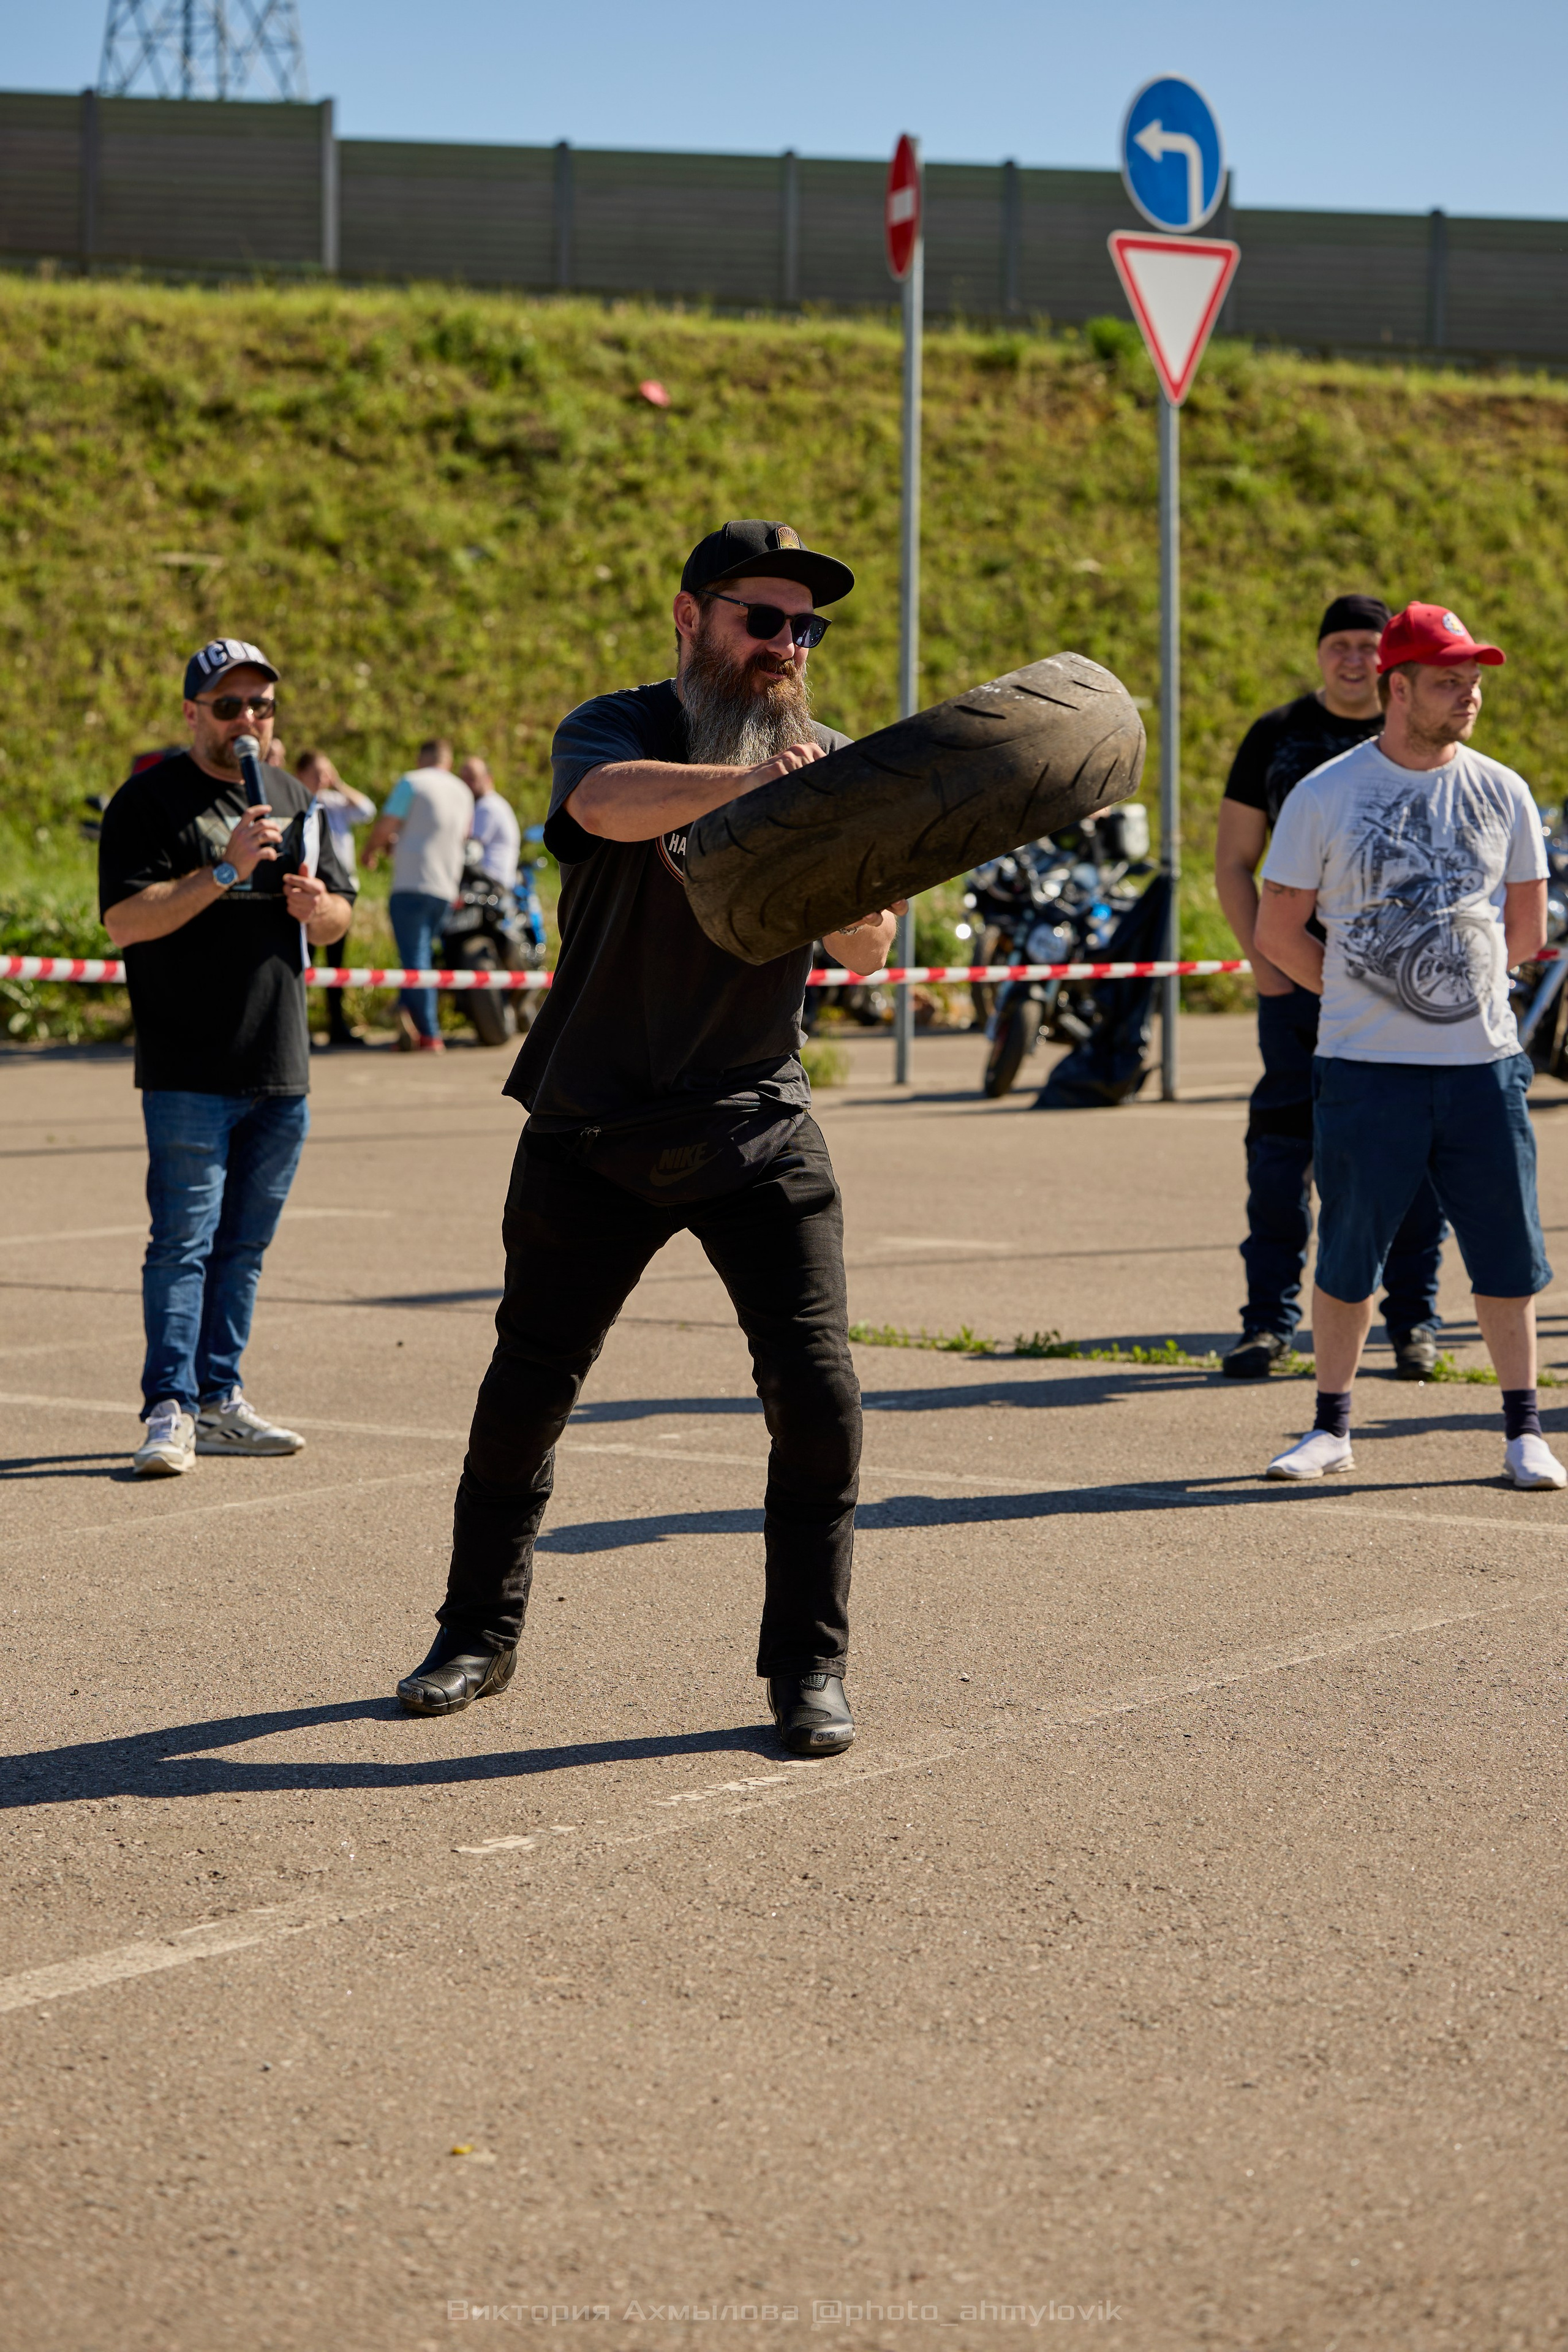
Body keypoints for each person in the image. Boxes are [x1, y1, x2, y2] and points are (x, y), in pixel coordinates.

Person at [396, 519, 903, 1756]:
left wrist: (853, 867)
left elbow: (866, 947)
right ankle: (475, 1633)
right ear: (692, 620)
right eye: (759, 619)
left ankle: (807, 1673)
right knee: (525, 1392)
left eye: (803, 627)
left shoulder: (829, 762)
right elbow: (597, 807)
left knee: (820, 1397)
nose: (784, 645)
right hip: (594, 1116)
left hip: (752, 1115)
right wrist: (752, 786)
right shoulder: (620, 727)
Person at [1254, 602, 1563, 1490]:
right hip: (1364, 1069)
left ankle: (1524, 1433)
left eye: (1472, 679)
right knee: (1350, 1252)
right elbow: (1279, 928)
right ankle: (1331, 1427)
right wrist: (1360, 991)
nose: (1468, 694)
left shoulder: (1504, 789)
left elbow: (1528, 923)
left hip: (1484, 1069)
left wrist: (1464, 998)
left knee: (1508, 1255)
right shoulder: (1326, 793)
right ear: (1397, 687)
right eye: (1447, 679)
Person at [98, 636, 356, 1478]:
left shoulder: (292, 794)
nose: (249, 721)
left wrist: (319, 909)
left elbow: (341, 919)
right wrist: (224, 872)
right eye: (230, 707)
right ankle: (168, 1407)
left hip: (280, 1063)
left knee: (243, 1249)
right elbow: (126, 922)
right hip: (189, 1066)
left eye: (262, 706)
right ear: (191, 714)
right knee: (181, 1244)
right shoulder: (147, 802)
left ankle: (221, 1399)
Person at [1215, 594, 1447, 1381]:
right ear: (1320, 654)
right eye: (1338, 645)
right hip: (1296, 987)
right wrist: (1264, 965)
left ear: (1389, 663)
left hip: (1403, 992)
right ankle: (1267, 1324)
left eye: (1366, 646)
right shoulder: (1277, 737)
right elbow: (1232, 861)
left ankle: (1414, 1321)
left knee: (1410, 1155)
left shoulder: (1415, 733)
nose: (1352, 659)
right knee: (1282, 1158)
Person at [363, 737, 473, 1052]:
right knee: (421, 956)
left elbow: (387, 824)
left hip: (412, 883)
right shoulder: (463, 792)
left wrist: (370, 849)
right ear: (448, 761)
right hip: (445, 887)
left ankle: (429, 1033)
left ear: (422, 757)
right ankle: (406, 1018)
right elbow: (459, 835)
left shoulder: (413, 782)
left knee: (415, 961)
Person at [296, 749, 374, 1047]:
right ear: (301, 774)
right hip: (311, 891)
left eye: (326, 772)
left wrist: (338, 784)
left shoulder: (334, 803)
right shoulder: (297, 803)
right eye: (316, 773)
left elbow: (367, 810)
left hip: (339, 892)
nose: (322, 779)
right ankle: (300, 1025)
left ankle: (336, 1024)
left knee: (336, 962)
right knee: (306, 960)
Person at [462, 755, 521, 892]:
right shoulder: (493, 803)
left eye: (472, 779)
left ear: (488, 779)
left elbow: (469, 848)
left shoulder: (487, 806)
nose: (466, 784)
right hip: (491, 879)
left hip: (491, 882)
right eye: (463, 779)